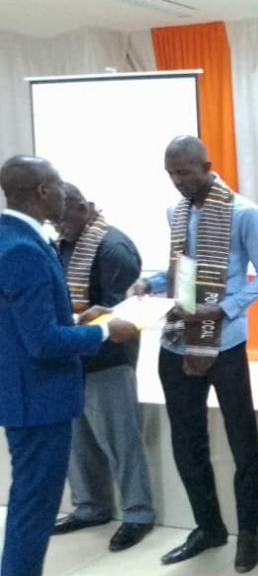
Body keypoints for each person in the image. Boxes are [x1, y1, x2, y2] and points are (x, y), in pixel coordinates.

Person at [127, 136, 258, 572]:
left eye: (184, 172)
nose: (177, 181)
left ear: (207, 167)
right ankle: (207, 527)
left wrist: (225, 308)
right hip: (177, 338)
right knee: (186, 440)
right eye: (171, 173)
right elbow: (181, 269)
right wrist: (149, 283)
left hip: (225, 341)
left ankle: (247, 532)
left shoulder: (244, 212)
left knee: (241, 440)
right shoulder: (175, 211)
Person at [0, 156, 136, 576]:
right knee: (33, 508)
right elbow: (43, 342)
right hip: (38, 401)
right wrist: (103, 331)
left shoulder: (12, 236)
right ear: (42, 190)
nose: (65, 192)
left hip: (27, 394)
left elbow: (23, 322)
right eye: (59, 184)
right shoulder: (22, 249)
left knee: (31, 503)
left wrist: (77, 319)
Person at [50, 183, 155, 551]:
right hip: (70, 356)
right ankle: (90, 507)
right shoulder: (62, 244)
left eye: (63, 220)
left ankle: (138, 513)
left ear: (84, 207)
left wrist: (86, 319)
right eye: (54, 222)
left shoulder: (114, 247)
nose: (58, 227)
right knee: (77, 441)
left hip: (109, 360)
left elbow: (124, 312)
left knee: (121, 441)